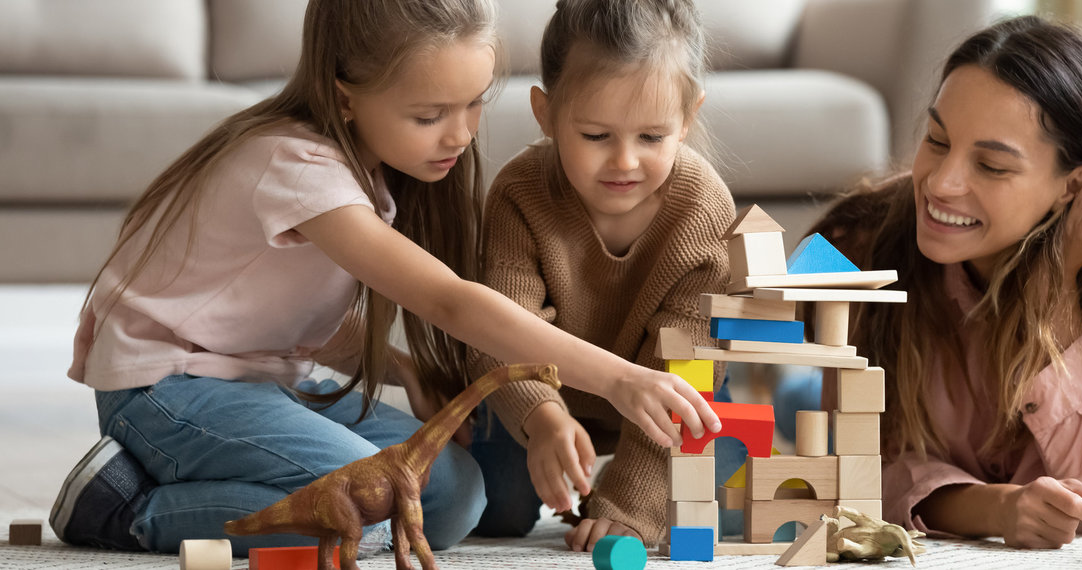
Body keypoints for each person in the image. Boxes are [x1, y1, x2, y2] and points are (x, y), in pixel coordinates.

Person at [48, 0, 719, 556]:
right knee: (360, 513)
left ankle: (168, 480)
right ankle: (128, 506)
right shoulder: (297, 168)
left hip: (261, 379)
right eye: (428, 117)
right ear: (346, 96)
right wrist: (620, 378)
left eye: (472, 105)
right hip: (167, 387)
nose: (457, 136)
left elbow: (282, 312)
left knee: (452, 496)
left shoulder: (369, 175)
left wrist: (405, 370)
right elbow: (451, 302)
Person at [809, 15, 1082, 549]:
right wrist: (988, 508)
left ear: (1079, 183)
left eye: (991, 166)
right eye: (937, 140)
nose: (940, 183)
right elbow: (835, 464)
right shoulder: (859, 248)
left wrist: (1053, 297)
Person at [465, 0, 734, 552]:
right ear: (546, 112)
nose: (625, 163)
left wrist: (630, 503)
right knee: (497, 509)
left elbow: (685, 368)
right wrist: (542, 417)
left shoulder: (702, 208)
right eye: (595, 136)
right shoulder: (520, 192)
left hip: (658, 395)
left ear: (688, 118)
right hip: (543, 395)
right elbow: (498, 330)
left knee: (721, 489)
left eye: (652, 138)